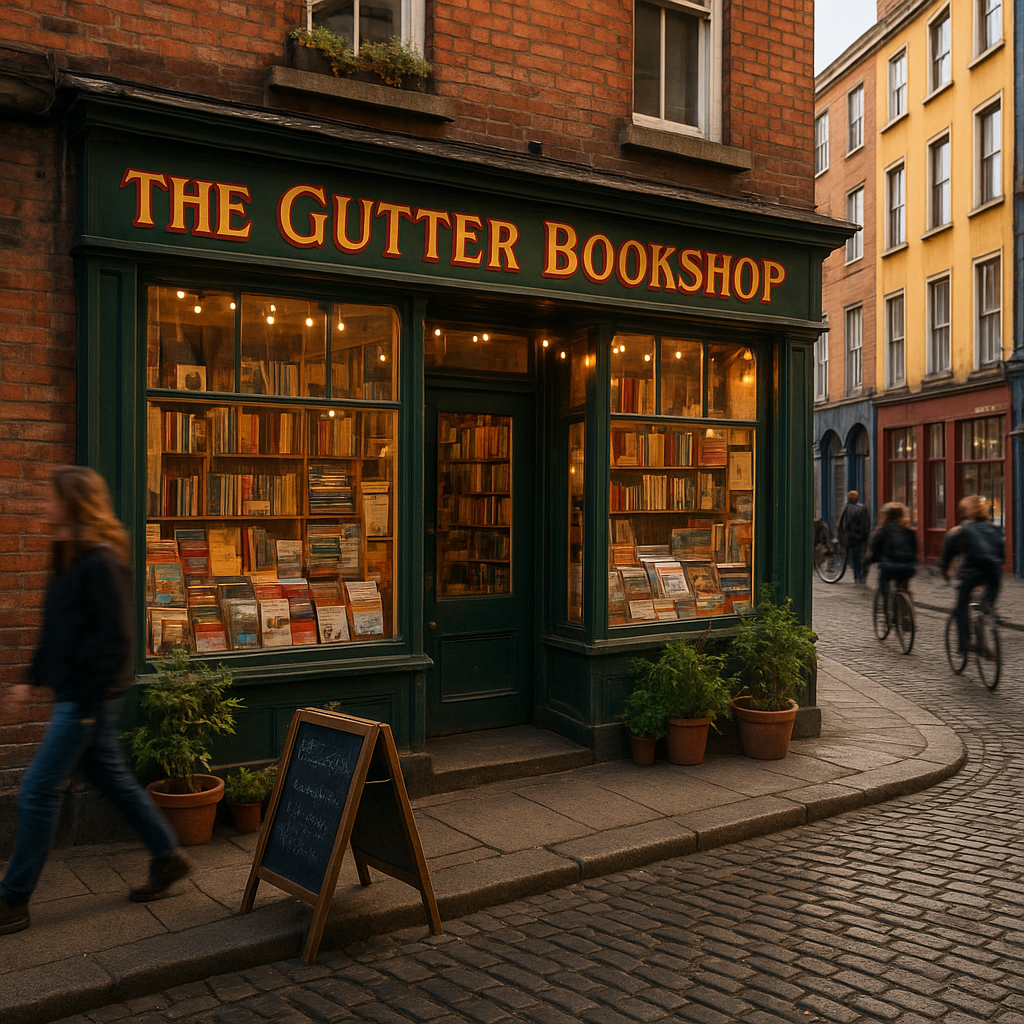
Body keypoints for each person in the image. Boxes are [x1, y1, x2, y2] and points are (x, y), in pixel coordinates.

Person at [1, 466, 192, 936]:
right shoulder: (68, 555)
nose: (44, 506)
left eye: (51, 498)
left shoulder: (102, 561)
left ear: (73, 503)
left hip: (86, 701)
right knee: (113, 781)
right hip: (78, 696)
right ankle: (168, 856)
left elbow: (116, 640)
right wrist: (28, 680)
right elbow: (56, 630)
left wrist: (87, 704)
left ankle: (14, 899)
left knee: (37, 789)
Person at [939, 494, 1005, 654]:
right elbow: (1002, 553)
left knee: (962, 606)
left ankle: (965, 643)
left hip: (971, 575)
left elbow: (948, 554)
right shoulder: (995, 529)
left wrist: (945, 571)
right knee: (986, 603)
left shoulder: (961, 531)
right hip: (993, 575)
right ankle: (986, 613)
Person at [864, 502, 917, 607]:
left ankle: (888, 607)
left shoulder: (882, 531)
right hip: (908, 567)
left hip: (889, 567)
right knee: (902, 585)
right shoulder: (909, 531)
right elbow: (914, 549)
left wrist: (870, 561)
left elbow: (874, 548)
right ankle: (905, 604)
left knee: (884, 584)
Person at [837, 490, 871, 584]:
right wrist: (865, 537)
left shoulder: (845, 508)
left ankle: (856, 576)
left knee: (853, 557)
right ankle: (861, 576)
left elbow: (841, 525)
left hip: (849, 538)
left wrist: (842, 537)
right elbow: (865, 526)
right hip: (859, 538)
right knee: (861, 556)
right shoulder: (862, 509)